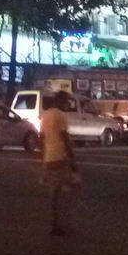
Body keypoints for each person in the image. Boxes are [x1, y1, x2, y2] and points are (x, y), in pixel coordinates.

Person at [41, 91, 80, 236]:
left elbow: (42, 138)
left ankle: (55, 222)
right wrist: (73, 160)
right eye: (67, 101)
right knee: (72, 187)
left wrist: (43, 159)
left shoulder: (45, 115)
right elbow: (65, 139)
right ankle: (62, 221)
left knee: (55, 192)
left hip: (49, 157)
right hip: (60, 156)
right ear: (61, 101)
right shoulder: (61, 116)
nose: (68, 104)